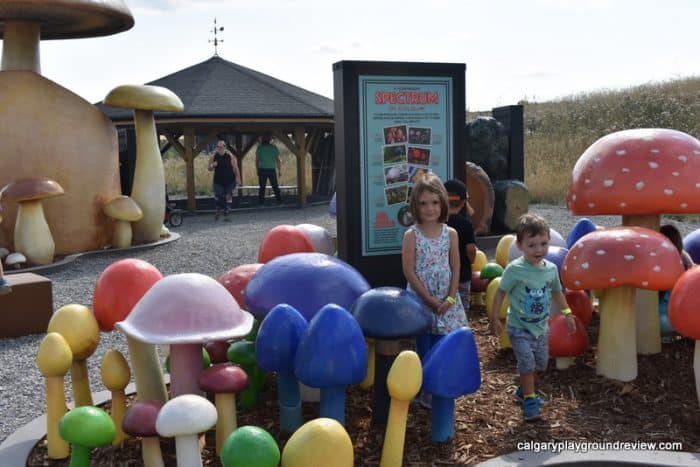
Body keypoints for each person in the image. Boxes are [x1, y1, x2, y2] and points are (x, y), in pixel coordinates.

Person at [490, 213, 575, 421]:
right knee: (527, 364)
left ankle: (522, 390)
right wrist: (493, 317)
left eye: (543, 243)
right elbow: (500, 292)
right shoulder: (515, 269)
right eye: (532, 245)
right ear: (520, 245)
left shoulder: (551, 270)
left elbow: (557, 292)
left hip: (541, 328)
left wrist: (567, 314)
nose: (539, 249)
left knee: (540, 364)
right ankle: (529, 400)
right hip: (518, 327)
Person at [402, 173, 468, 407]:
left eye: (434, 202)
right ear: (415, 206)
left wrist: (450, 297)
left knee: (445, 344)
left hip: (447, 300)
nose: (429, 208)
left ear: (442, 203)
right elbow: (409, 271)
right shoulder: (412, 235)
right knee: (425, 345)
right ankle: (424, 388)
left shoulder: (451, 234)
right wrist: (429, 299)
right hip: (422, 300)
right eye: (423, 203)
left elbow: (456, 266)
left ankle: (442, 385)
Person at [443, 179, 477, 311]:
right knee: (462, 309)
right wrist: (472, 259)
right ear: (464, 202)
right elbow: (470, 250)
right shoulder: (466, 224)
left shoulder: (439, 222)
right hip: (462, 275)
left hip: (444, 276)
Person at [208, 140, 241, 221]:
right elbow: (209, 168)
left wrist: (238, 178)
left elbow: (235, 168)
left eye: (221, 147)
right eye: (218, 147)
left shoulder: (230, 156)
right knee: (219, 196)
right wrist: (212, 165)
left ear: (225, 147)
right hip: (218, 181)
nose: (219, 148)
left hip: (230, 180)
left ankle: (227, 214)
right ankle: (218, 210)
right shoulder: (213, 156)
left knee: (228, 196)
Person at [255, 134, 282, 205]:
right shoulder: (274, 147)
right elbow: (278, 160)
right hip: (271, 169)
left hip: (262, 169)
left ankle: (261, 203)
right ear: (270, 140)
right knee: (275, 186)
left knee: (262, 187)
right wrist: (279, 170)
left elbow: (257, 160)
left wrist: (257, 169)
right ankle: (279, 201)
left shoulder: (259, 148)